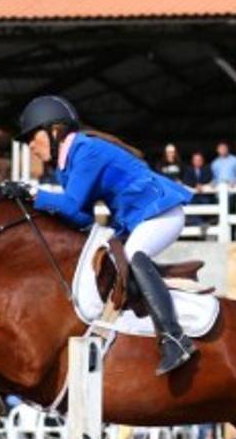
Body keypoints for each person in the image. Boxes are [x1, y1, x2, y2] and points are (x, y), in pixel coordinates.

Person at [17, 95, 197, 375]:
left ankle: (175, 338)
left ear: (55, 131)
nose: (30, 145)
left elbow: (71, 205)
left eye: (32, 137)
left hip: (162, 212)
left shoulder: (86, 151)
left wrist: (32, 193)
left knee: (134, 255)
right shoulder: (67, 165)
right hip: (139, 220)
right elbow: (81, 217)